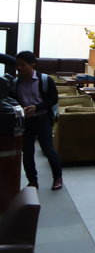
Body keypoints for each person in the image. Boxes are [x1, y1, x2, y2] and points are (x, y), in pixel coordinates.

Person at [13, 51, 63, 190]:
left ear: (32, 65)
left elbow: (53, 99)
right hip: (26, 121)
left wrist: (37, 107)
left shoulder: (45, 80)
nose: (19, 68)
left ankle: (57, 177)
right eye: (18, 65)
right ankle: (33, 181)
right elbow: (13, 100)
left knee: (48, 149)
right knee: (27, 152)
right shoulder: (16, 83)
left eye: (23, 65)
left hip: (42, 119)